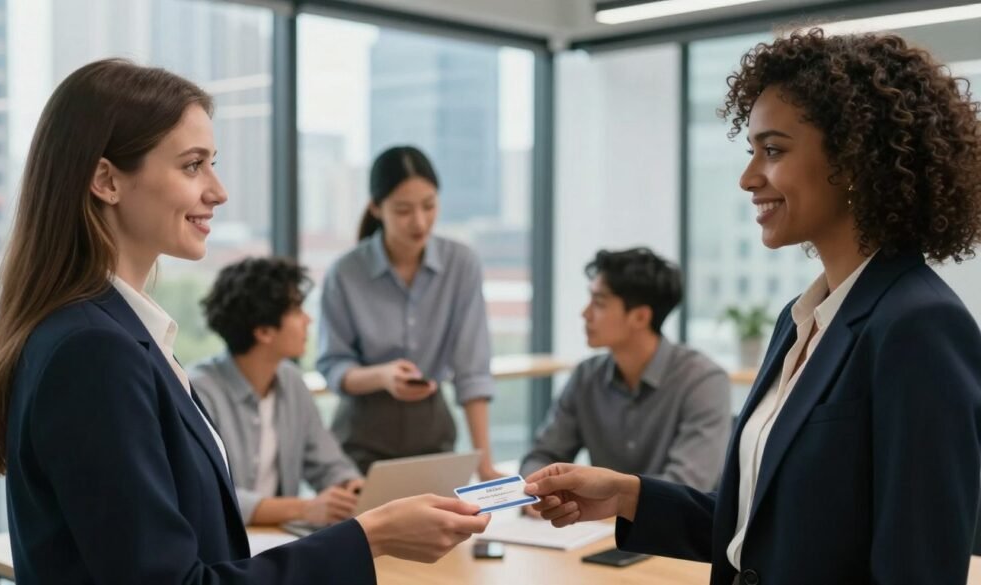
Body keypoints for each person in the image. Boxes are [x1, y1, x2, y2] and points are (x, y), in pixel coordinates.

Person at [0, 59, 488, 585]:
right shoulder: (93, 351)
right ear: (107, 180)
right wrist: (368, 537)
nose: (218, 191)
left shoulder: (120, 334)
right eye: (193, 166)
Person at [525, 29, 981, 585]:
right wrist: (626, 494)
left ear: (856, 158)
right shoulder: (802, 319)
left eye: (774, 150)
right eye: (752, 152)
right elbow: (759, 531)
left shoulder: (918, 325)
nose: (747, 178)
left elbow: (919, 568)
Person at [316, 145, 500, 479]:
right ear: (376, 207)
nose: (419, 221)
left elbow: (472, 371)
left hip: (433, 431)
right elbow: (333, 366)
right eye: (403, 210)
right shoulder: (345, 273)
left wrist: (485, 465)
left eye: (429, 206)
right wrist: (382, 376)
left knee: (442, 528)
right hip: (361, 436)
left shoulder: (462, 264)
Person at [520, 247, 730, 492]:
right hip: (599, 527)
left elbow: (687, 486)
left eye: (599, 303)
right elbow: (542, 455)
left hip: (676, 528)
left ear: (640, 317)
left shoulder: (702, 380)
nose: (585, 313)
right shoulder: (586, 377)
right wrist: (537, 491)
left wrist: (608, 498)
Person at [191, 257, 364, 527]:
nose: (308, 320)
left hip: (278, 541)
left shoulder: (292, 381)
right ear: (263, 331)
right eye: (296, 311)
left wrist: (348, 485)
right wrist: (304, 509)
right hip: (224, 546)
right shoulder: (199, 392)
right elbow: (208, 495)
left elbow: (327, 462)